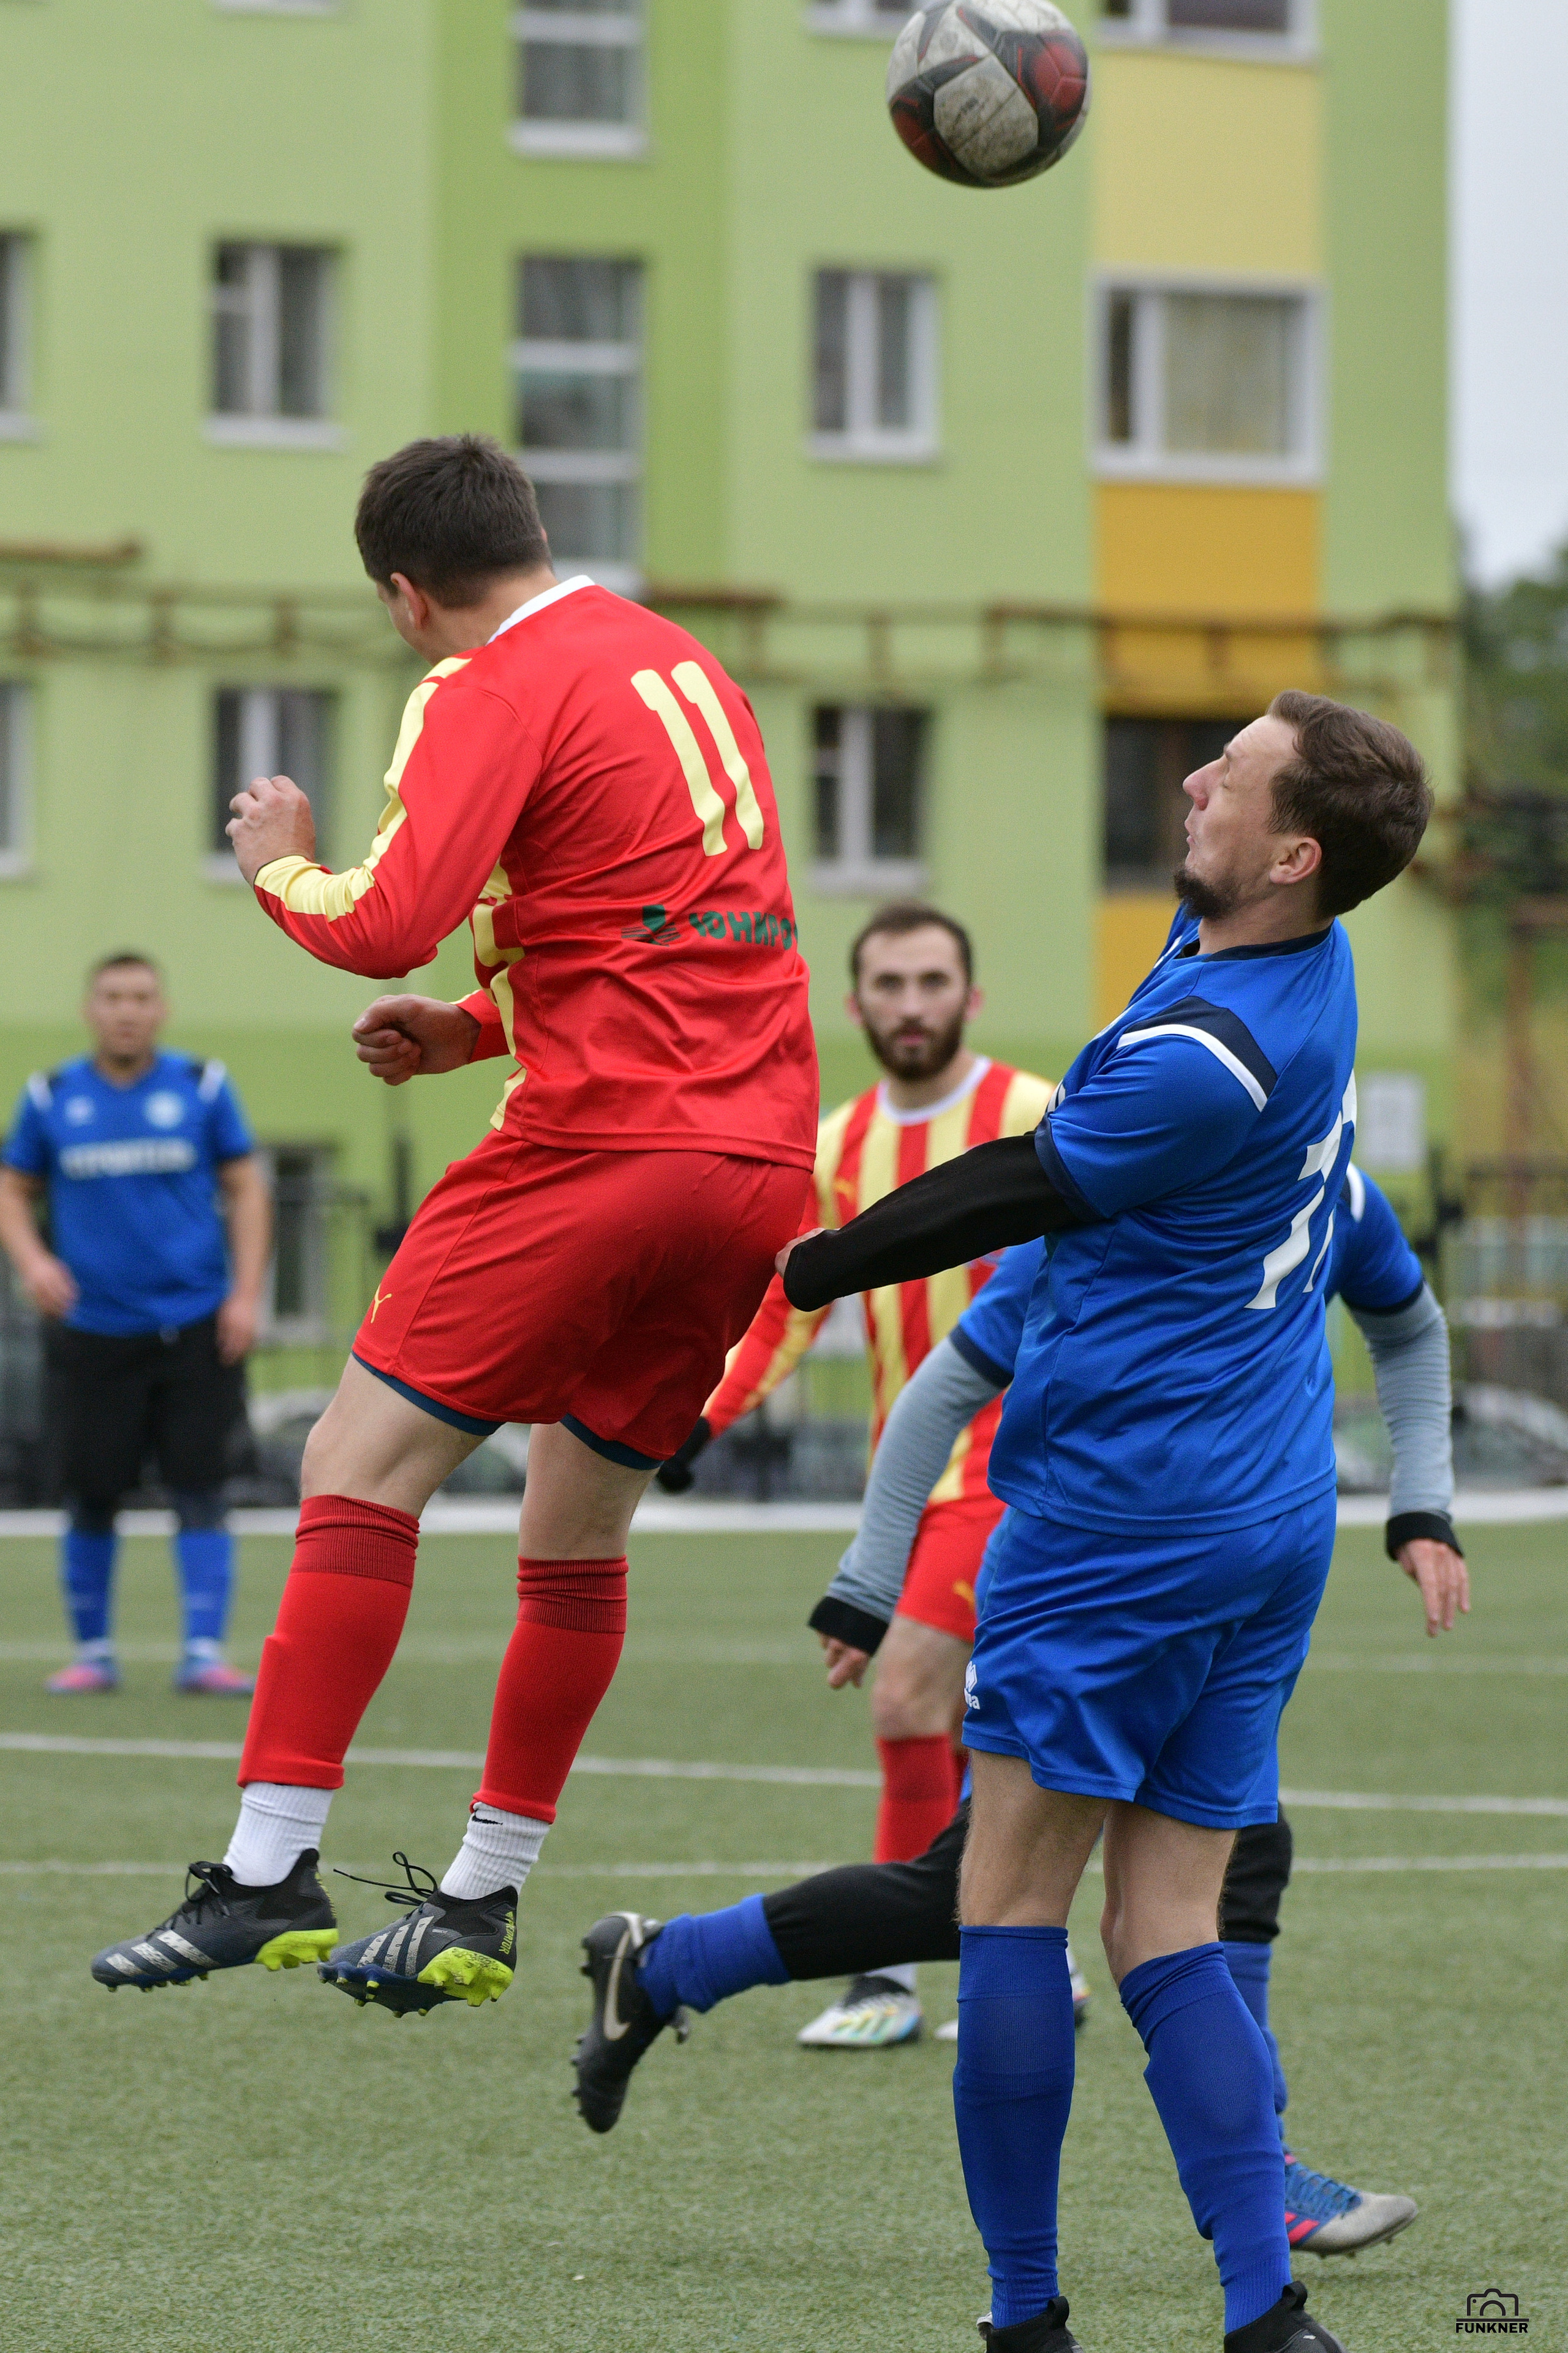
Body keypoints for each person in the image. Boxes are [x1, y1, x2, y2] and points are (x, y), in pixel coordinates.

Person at [88, 434, 818, 2013]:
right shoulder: (681, 663)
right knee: (575, 1531)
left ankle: (267, 1867)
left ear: (407, 594)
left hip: (601, 1148)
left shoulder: (487, 679)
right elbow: (682, 929)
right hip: (755, 1158)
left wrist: (276, 858)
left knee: (353, 1467)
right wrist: (477, 1029)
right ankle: (480, 1897)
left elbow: (384, 921)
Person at [772, 693, 1433, 2353]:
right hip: (1264, 1514)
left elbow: (1013, 1182)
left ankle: (1024, 2320)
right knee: (1166, 1921)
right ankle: (1265, 2318)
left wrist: (803, 1263)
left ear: (1295, 854)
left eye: (1233, 772)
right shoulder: (1293, 953)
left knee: (1005, 1907)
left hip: (1120, 1521)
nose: (1192, 776)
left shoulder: (1209, 1060)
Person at [571, 1163, 1464, 2284]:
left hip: (1224, 1591)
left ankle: (1258, 2182)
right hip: (1077, 1584)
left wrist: (1422, 1505)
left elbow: (1411, 1325)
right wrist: (869, 1580)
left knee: (1241, 1852)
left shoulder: (1328, 1184)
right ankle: (671, 1965)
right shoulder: (1113, 1188)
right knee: (970, 1898)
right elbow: (942, 1385)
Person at [660, 901, 1054, 2047]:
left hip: (1021, 1471)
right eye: (891, 984)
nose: (913, 1004)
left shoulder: (1038, 1117)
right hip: (912, 1478)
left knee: (905, 1693)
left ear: (971, 996)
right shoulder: (835, 1148)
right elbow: (789, 1306)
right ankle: (1031, 1954)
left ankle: (886, 1978)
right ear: (856, 1004)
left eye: (933, 981)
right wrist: (701, 1419)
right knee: (989, 1721)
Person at [0, 952, 270, 1696]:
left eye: (142, 997)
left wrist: (246, 1294)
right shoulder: (52, 1095)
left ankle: (204, 1653)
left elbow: (247, 1188)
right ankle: (93, 1653)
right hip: (93, 1330)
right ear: (91, 1009)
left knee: (202, 1488)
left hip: (196, 1325)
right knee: (90, 1492)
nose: (128, 1010)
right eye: (114, 997)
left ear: (162, 1009)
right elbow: (12, 1186)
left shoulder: (202, 1086)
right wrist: (33, 1262)